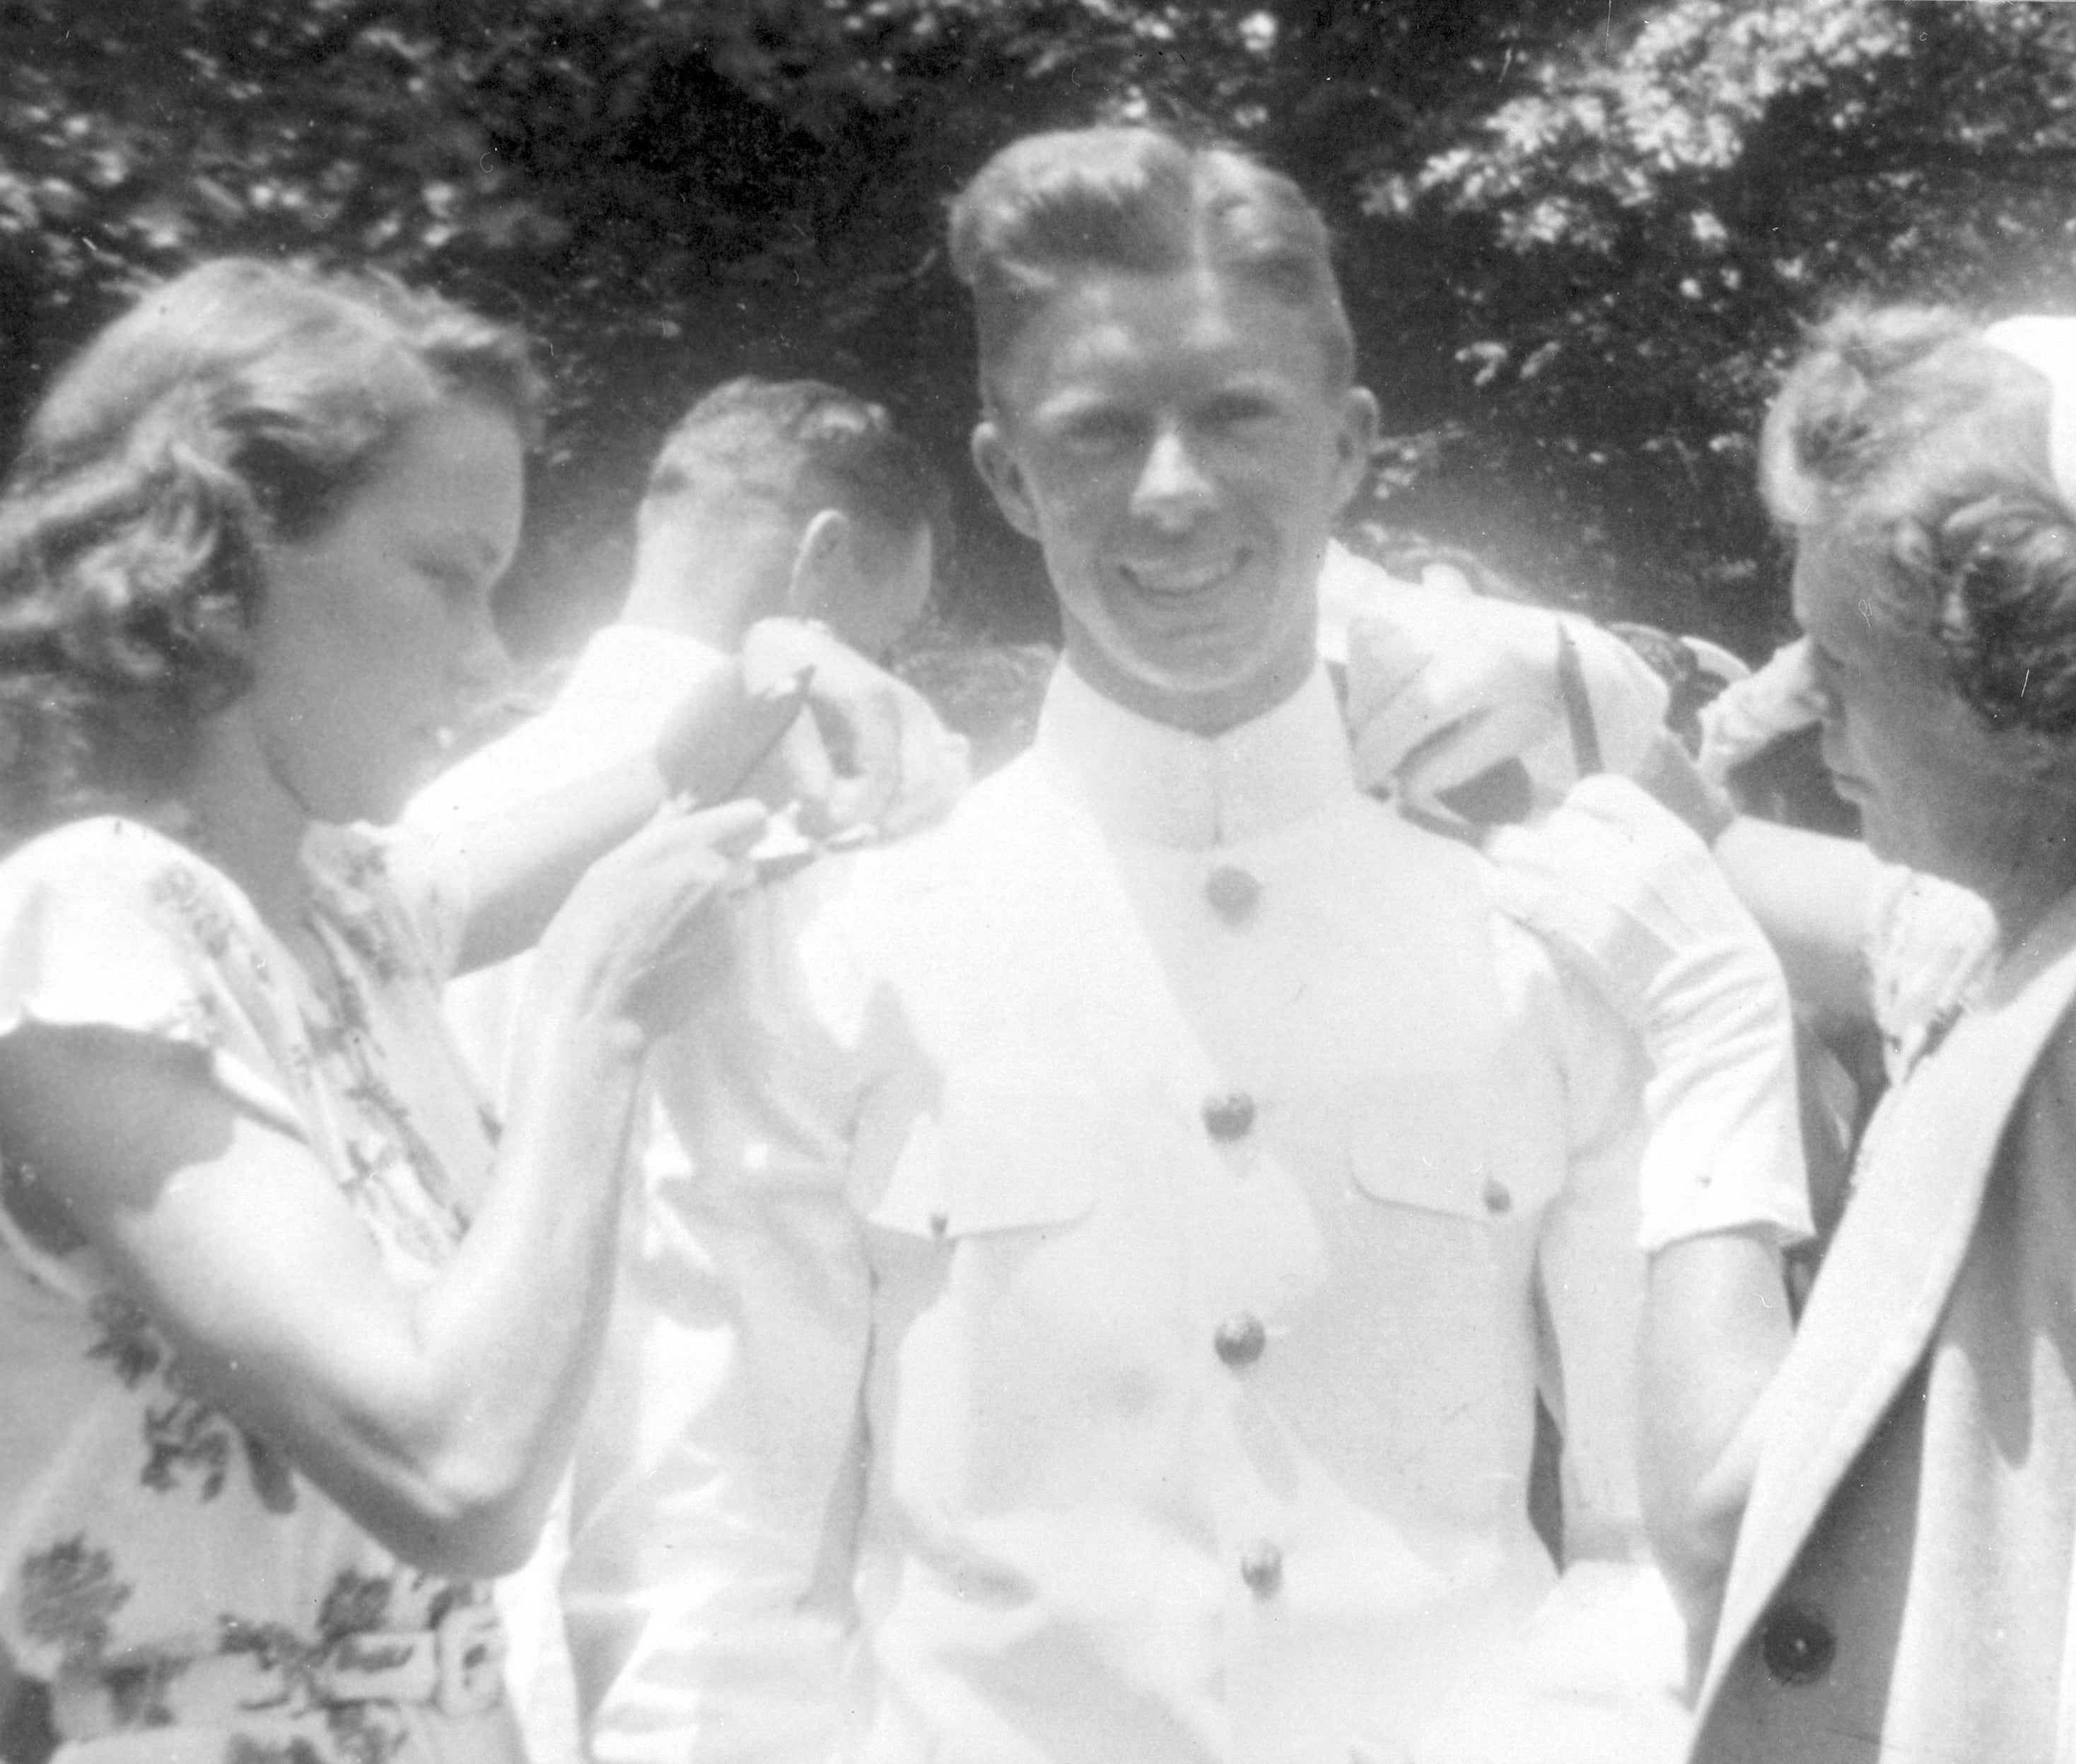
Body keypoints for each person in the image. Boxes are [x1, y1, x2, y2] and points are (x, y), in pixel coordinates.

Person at [563, 124, 1813, 1764]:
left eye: (1236, 416)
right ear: (1007, 477)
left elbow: (1645, 1546)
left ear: (1351, 446)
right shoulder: (837, 937)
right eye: (1096, 435)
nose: (1172, 492)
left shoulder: (1553, 928)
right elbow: (709, 1561)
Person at [1351, 306, 2076, 1763]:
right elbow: (1744, 865)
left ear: (2029, 703)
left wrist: (1710, 1035)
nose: (1800, 698)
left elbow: (1728, 1524)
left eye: (1841, 659)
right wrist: (1575, 680)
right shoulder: (2073, 930)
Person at [0, 257, 792, 1764]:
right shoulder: (84, 915)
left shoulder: (344, 915)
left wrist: (795, 680)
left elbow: (678, 780)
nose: (491, 659)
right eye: (450, 575)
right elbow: (455, 1471)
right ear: (217, 561)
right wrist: (597, 1022)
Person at [409, 374, 961, 1757]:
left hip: (445, 1653)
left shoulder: (436, 828)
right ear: (826, 562)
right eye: (902, 630)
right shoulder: (881, 842)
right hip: (745, 1667)